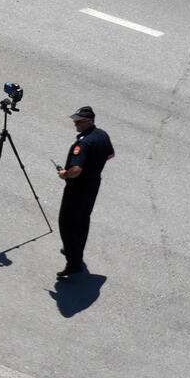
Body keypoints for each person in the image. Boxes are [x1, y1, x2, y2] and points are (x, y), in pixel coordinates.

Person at [55, 106, 114, 278]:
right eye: (75, 121)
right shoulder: (102, 135)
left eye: (79, 122)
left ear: (89, 122)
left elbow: (76, 169)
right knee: (82, 220)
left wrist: (64, 174)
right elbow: (110, 154)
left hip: (77, 188)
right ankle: (74, 251)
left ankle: (73, 262)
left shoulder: (83, 143)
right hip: (92, 184)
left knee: (67, 223)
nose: (76, 124)